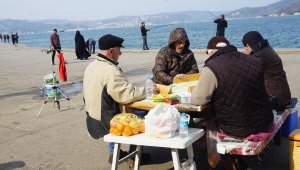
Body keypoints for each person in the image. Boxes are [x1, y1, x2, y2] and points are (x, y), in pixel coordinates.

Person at [191, 36, 274, 169]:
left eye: (207, 52)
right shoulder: (253, 60)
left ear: (212, 51)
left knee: (209, 118)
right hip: (265, 121)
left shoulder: (212, 67)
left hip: (239, 129)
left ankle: (220, 160)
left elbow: (197, 99)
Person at [83, 34, 146, 163]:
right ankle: (135, 154)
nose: (121, 53)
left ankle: (114, 152)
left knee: (112, 107)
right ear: (111, 51)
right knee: (143, 114)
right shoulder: (110, 71)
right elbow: (126, 94)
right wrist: (148, 90)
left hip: (92, 118)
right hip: (105, 123)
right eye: (119, 50)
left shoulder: (92, 66)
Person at [242, 31, 291, 111]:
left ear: (253, 44)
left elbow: (245, 71)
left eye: (246, 45)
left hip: (276, 100)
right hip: (282, 95)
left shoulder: (260, 55)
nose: (245, 48)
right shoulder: (267, 49)